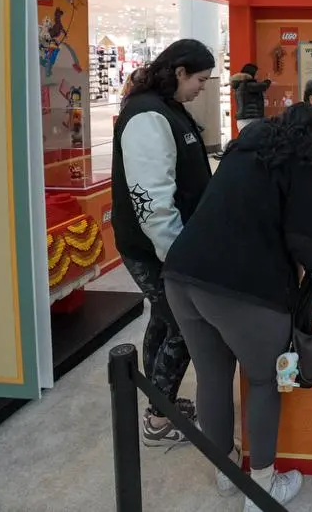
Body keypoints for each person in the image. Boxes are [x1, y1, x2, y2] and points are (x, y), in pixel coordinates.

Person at [164, 102, 312, 510]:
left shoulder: (242, 148)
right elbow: (303, 235)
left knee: (212, 378)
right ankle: (262, 488)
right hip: (242, 287)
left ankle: (226, 473)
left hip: (182, 274)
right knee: (261, 381)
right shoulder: (304, 159)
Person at [110, 39, 215, 445]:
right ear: (179, 72)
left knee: (164, 317)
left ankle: (157, 398)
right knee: (186, 327)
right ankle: (159, 419)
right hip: (156, 247)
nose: (203, 88)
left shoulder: (166, 108)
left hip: (168, 245)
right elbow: (151, 201)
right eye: (201, 80)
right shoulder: (147, 116)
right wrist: (178, 256)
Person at [230, 63, 271, 133]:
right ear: (251, 74)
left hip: (245, 119)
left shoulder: (241, 84)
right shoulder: (247, 84)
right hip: (249, 119)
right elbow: (264, 86)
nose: (257, 76)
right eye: (256, 74)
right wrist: (268, 81)